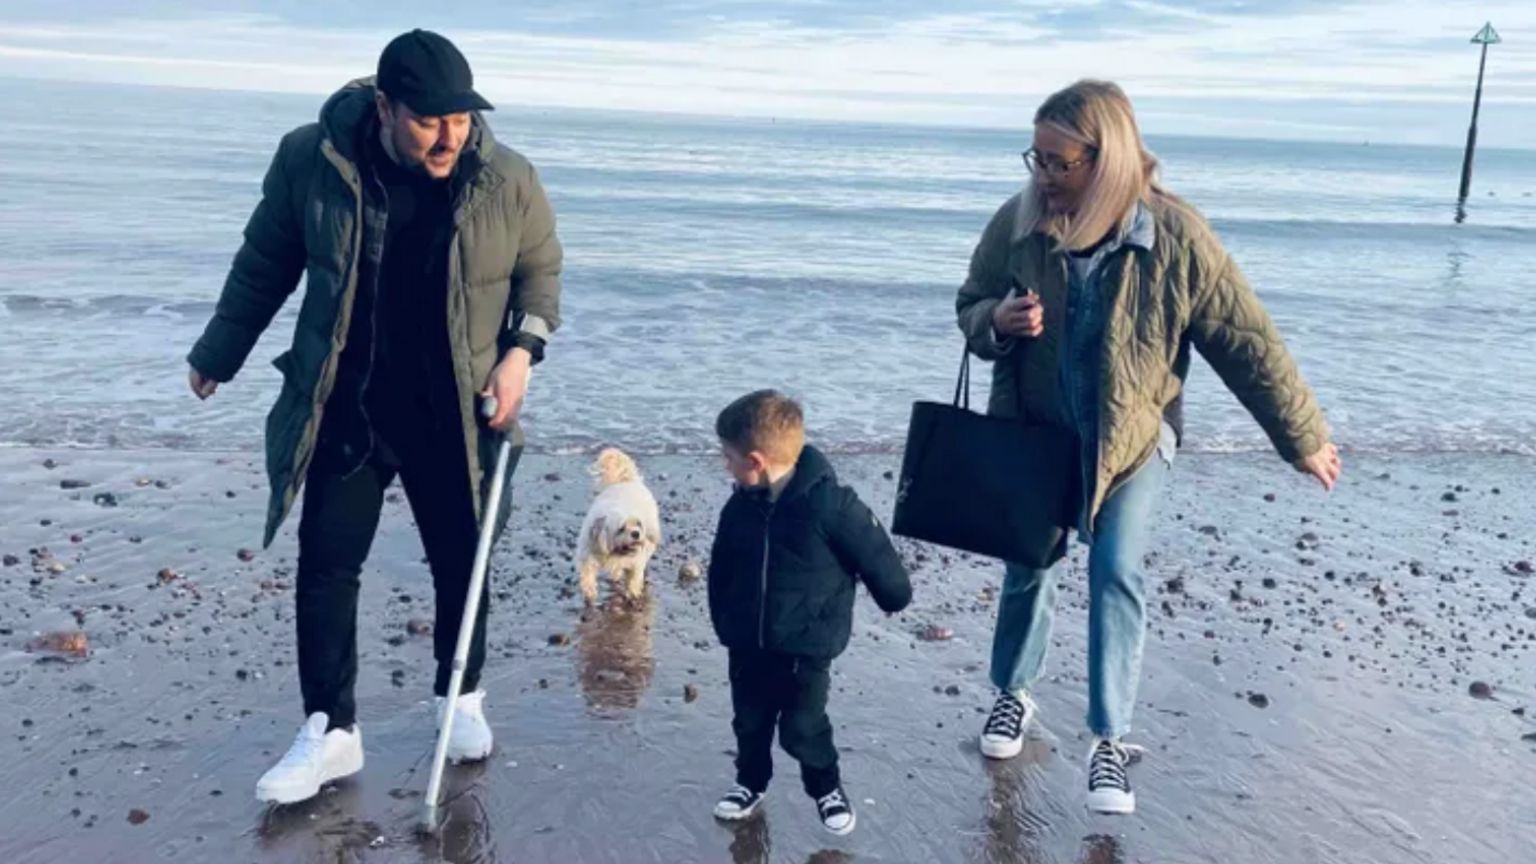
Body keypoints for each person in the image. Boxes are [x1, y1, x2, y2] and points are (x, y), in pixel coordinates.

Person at [184, 29, 562, 804]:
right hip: (347, 403)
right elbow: (264, 262)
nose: (450, 135)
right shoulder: (313, 162)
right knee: (327, 565)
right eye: (430, 120)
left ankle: (460, 699)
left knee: (464, 558)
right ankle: (330, 731)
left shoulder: (507, 178)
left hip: (456, 413)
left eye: (461, 118)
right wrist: (218, 353)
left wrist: (522, 352)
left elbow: (541, 274)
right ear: (386, 107)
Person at [955, 80, 1340, 815]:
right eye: (1034, 158)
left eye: (1057, 163)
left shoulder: (1176, 237)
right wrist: (997, 320)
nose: (1041, 175)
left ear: (1107, 160)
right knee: (1029, 564)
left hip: (1134, 439)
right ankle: (1013, 695)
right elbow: (969, 302)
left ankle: (1109, 740)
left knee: (1116, 570)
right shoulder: (1019, 223)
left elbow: (1246, 341)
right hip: (1038, 430)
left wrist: (1303, 438)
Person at [706, 390, 912, 835]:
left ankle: (826, 787)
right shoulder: (738, 506)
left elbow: (877, 556)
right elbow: (720, 567)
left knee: (803, 726)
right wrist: (725, 621)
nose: (725, 466)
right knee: (750, 721)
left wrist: (893, 595)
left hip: (808, 645)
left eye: (728, 457)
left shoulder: (831, 504)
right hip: (747, 641)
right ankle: (749, 782)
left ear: (756, 461)